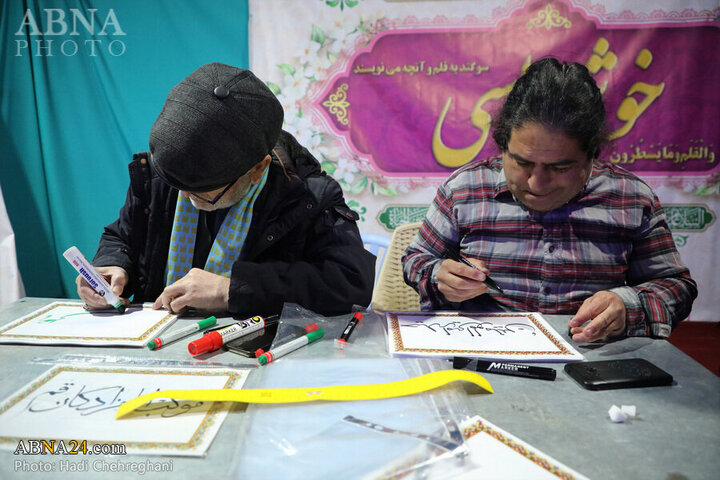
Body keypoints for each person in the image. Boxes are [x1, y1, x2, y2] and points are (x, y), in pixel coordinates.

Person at [402, 57, 697, 342]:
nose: (536, 183)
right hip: (479, 359)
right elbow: (415, 260)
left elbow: (677, 287)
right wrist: (439, 274)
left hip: (588, 365)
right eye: (522, 163)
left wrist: (628, 306)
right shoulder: (464, 190)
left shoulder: (631, 200)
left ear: (591, 155)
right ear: (503, 146)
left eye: (560, 168)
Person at [76, 62, 375, 316]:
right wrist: (112, 264)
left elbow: (349, 283)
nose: (187, 200)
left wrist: (231, 289)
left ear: (258, 169)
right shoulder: (167, 173)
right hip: (156, 338)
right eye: (182, 189)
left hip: (254, 351)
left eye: (202, 194)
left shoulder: (307, 196)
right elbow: (122, 235)